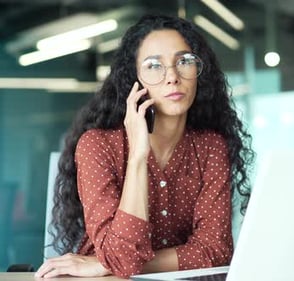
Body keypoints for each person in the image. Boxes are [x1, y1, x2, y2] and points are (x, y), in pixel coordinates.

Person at [35, 13, 254, 279]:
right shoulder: (97, 145)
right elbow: (123, 261)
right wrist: (138, 155)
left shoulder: (210, 147)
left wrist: (106, 263)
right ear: (135, 80)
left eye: (184, 61)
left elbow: (215, 251)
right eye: (153, 66)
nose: (172, 76)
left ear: (199, 71)